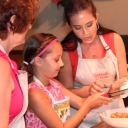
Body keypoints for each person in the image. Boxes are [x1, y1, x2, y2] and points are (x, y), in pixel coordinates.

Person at [20, 32, 122, 128]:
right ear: (38, 61)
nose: (62, 64)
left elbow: (82, 102)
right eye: (56, 59)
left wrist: (109, 93)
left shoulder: (55, 84)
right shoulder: (35, 94)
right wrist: (87, 106)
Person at [57, 0, 128, 127]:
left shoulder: (114, 39)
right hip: (83, 120)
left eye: (89, 25)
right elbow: (64, 91)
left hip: (114, 116)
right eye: (78, 28)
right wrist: (88, 90)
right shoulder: (67, 51)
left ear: (96, 18)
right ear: (69, 25)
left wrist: (117, 88)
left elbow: (124, 79)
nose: (85, 33)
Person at [0, 0, 39, 127]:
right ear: (13, 21)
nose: (30, 27)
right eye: (29, 21)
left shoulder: (8, 61)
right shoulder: (1, 66)